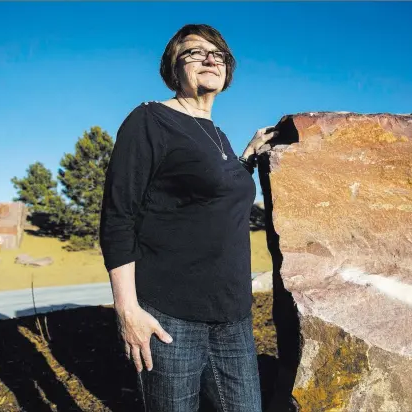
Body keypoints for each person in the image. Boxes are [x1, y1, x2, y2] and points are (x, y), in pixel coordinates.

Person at [99, 23, 278, 412]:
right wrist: (127, 310)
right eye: (195, 52)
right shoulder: (150, 120)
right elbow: (117, 217)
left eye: (219, 54)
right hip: (170, 317)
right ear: (172, 69)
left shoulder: (218, 135)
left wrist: (247, 156)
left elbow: (217, 200)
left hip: (233, 315)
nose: (210, 58)